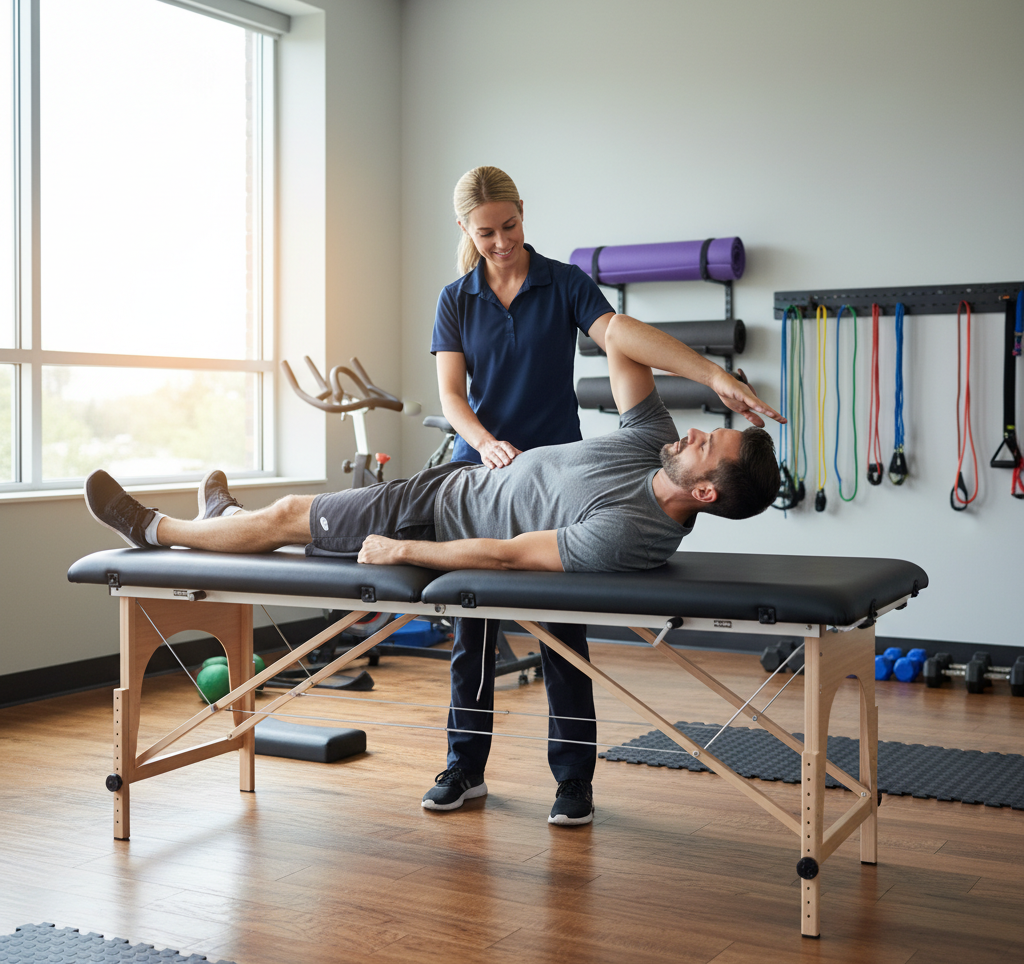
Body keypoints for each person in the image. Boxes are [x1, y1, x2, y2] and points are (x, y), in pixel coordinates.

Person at [85, 314, 782, 822]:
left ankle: (158, 529)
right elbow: (621, 336)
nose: (693, 429)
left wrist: (404, 550)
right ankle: (221, 520)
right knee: (292, 526)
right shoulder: (650, 444)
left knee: (295, 513)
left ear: (705, 493)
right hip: (452, 487)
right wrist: (716, 376)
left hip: (434, 516)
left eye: (706, 442)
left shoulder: (631, 531)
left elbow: (510, 555)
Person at [429, 165, 615, 828]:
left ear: (523, 213)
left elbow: (615, 338)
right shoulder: (457, 298)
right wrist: (482, 443)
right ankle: (465, 767)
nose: (502, 241)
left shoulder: (564, 283)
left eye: (510, 226)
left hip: (556, 477)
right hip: (479, 475)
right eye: (487, 232)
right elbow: (452, 396)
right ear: (465, 229)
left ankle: (573, 781)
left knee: (562, 632)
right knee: (471, 627)